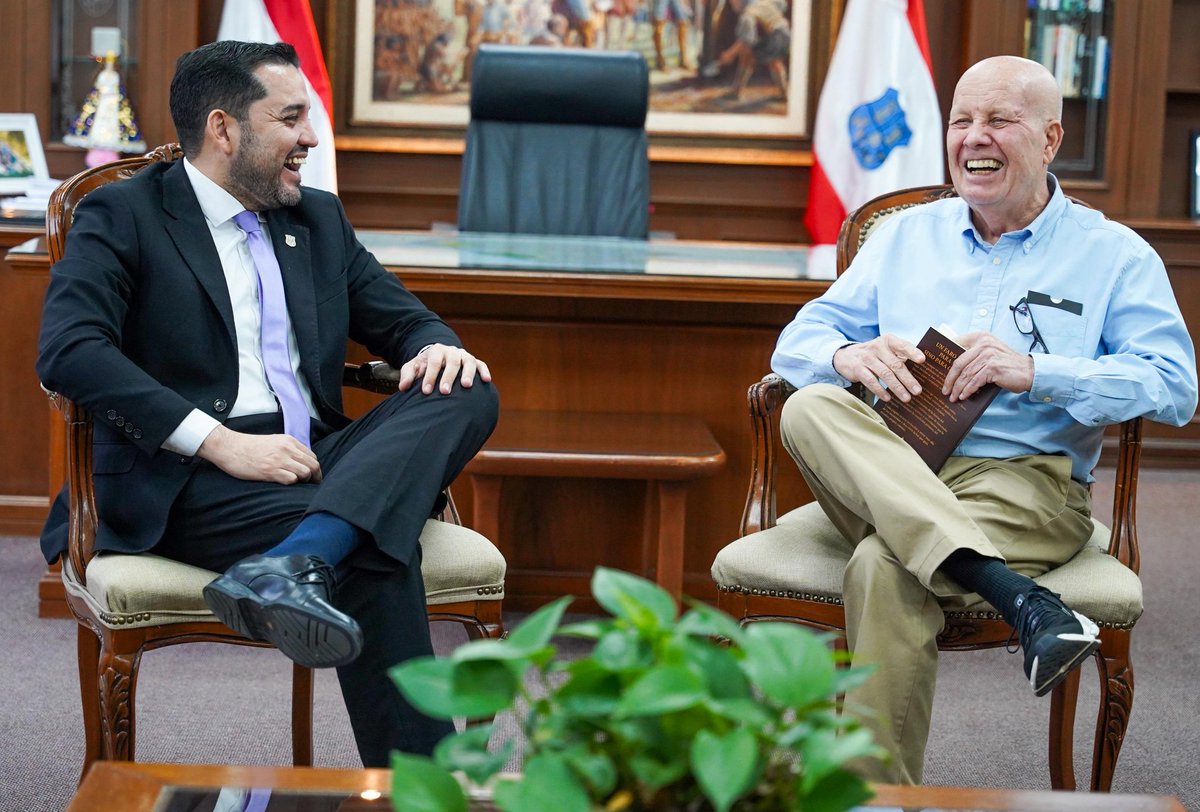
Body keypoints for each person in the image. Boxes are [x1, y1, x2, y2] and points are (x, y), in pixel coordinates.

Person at [36, 41, 499, 767]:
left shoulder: (316, 219)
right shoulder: (123, 216)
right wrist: (220, 442)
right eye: (291, 119)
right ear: (224, 129)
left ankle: (295, 560)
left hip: (312, 456)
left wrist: (434, 344)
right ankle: (423, 786)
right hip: (185, 478)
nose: (310, 138)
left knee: (465, 384)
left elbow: (404, 320)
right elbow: (70, 351)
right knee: (379, 547)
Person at [771, 55, 1197, 785]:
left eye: (1000, 120)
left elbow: (1175, 388)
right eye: (961, 120)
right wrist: (849, 355)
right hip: (896, 461)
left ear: (1051, 138)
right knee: (811, 404)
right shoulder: (903, 237)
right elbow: (795, 344)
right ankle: (1017, 596)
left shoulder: (1114, 255)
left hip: (1027, 483)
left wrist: (1038, 372)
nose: (975, 137)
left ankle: (870, 801)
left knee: (885, 563)